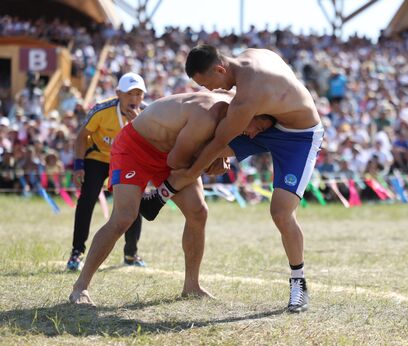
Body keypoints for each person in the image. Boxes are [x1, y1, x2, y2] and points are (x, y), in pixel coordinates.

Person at [140, 45, 324, 313]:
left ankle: (299, 283)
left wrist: (211, 159)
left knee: (280, 213)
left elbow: (219, 142)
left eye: (208, 84)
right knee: (202, 150)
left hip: (300, 135)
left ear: (220, 68)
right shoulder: (252, 56)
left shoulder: (248, 96)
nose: (211, 91)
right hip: (266, 120)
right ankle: (160, 195)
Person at [69, 90, 240, 306]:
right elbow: (179, 160)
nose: (252, 133)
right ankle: (80, 287)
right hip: (136, 147)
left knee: (198, 211)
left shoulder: (238, 106)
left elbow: (210, 145)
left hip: (171, 152)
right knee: (124, 217)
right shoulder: (214, 109)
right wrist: (208, 161)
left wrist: (219, 158)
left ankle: (191, 286)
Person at [66, 72, 147, 271]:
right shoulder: (101, 110)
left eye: (139, 94)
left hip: (126, 162)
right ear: (118, 93)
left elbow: (149, 145)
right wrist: (78, 166)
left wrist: (138, 124)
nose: (134, 99)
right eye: (129, 94)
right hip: (98, 158)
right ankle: (77, 252)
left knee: (133, 203)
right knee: (87, 200)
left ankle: (131, 253)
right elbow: (81, 137)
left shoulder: (146, 115)